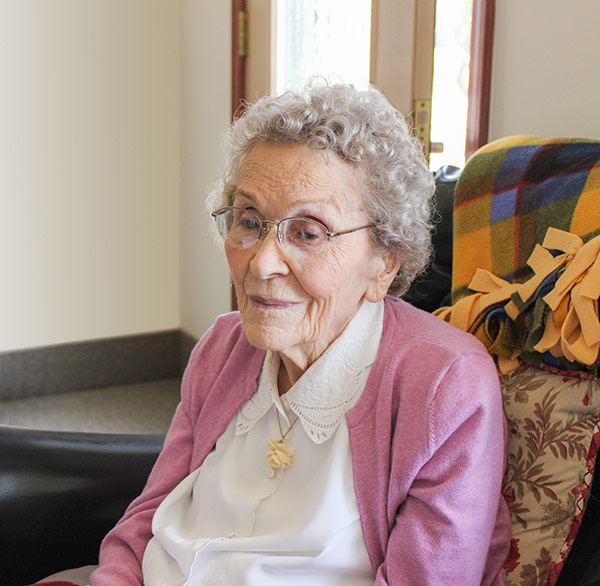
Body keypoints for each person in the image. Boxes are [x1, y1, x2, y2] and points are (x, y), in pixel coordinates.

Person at [37, 80, 510, 586]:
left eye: (307, 232)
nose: (261, 263)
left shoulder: (444, 387)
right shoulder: (225, 345)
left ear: (384, 264)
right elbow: (148, 518)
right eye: (249, 221)